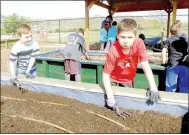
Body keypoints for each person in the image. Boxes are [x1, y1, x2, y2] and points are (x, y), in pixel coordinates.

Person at [102, 19, 161, 118]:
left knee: (128, 102)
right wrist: (110, 96)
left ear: (135, 36)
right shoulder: (113, 50)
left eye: (130, 37)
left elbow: (145, 65)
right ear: (117, 35)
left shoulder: (139, 44)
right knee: (111, 102)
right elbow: (106, 74)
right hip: (112, 79)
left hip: (128, 79)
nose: (126, 41)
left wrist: (153, 87)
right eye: (123, 37)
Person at [161, 20, 188, 93]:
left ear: (171, 32)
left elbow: (164, 51)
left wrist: (163, 62)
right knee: (184, 87)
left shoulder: (169, 39)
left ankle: (169, 102)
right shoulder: (186, 39)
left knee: (170, 87)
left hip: (172, 65)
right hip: (185, 65)